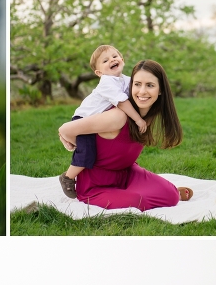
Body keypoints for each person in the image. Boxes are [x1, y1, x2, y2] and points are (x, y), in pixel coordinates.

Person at [57, 60, 192, 210]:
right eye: (137, 84)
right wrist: (76, 145)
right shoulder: (118, 117)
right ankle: (131, 194)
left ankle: (164, 192)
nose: (142, 92)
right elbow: (65, 130)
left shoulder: (149, 114)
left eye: (150, 85)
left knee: (171, 197)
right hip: (95, 185)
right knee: (139, 201)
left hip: (127, 173)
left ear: (160, 90)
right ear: (130, 85)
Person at [58, 45, 149, 198]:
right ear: (99, 73)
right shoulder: (107, 82)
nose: (112, 60)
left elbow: (137, 87)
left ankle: (69, 140)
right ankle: (67, 176)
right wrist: (138, 119)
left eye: (115, 56)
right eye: (105, 60)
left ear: (122, 60)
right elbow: (122, 102)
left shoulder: (126, 80)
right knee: (87, 151)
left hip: (99, 121)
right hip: (84, 118)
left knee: (97, 149)